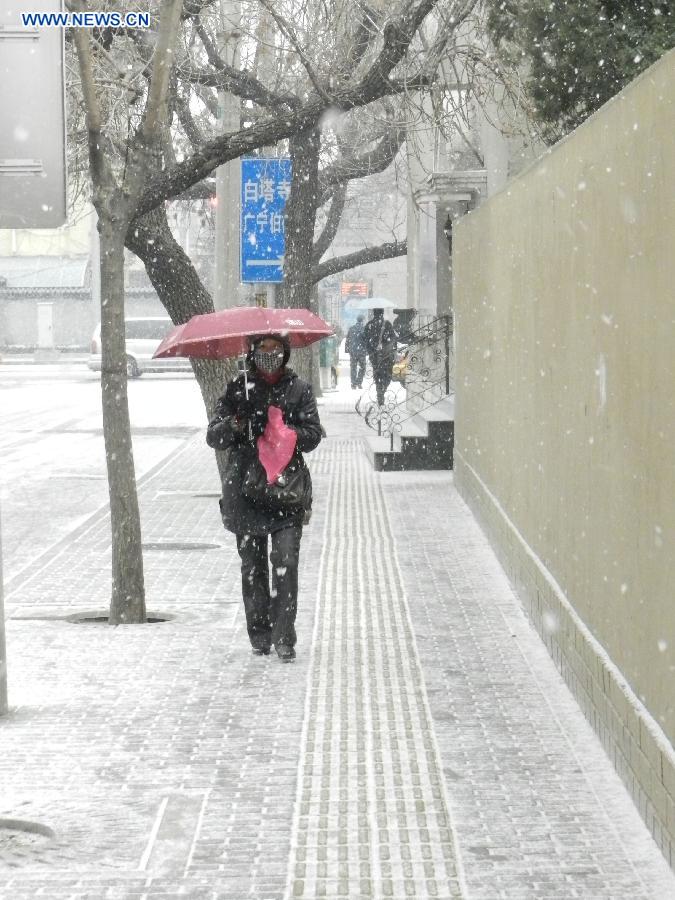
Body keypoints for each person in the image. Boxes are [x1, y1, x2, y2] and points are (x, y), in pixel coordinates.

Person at [206, 335, 323, 662]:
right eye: (263, 350)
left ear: (285, 353)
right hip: (246, 492)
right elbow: (213, 436)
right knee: (253, 568)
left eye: (276, 350)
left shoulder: (299, 390)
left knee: (286, 561)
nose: (269, 357)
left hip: (286, 491)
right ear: (252, 353)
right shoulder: (237, 388)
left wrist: (286, 433)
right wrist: (237, 421)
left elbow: (313, 435)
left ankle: (284, 636)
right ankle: (259, 634)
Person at [363, 308, 398, 405]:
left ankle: (379, 393)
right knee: (387, 375)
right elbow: (393, 339)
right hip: (386, 356)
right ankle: (382, 390)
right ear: (382, 314)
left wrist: (370, 352)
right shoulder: (387, 324)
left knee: (377, 375)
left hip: (375, 357)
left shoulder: (369, 325)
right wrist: (388, 348)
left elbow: (365, 340)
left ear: (374, 314)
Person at [345, 315, 367, 389]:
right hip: (361, 352)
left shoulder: (351, 328)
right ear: (362, 320)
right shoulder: (364, 329)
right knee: (363, 367)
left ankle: (353, 384)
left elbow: (347, 339)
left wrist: (347, 349)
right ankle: (359, 382)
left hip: (353, 351)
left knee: (353, 368)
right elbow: (366, 340)